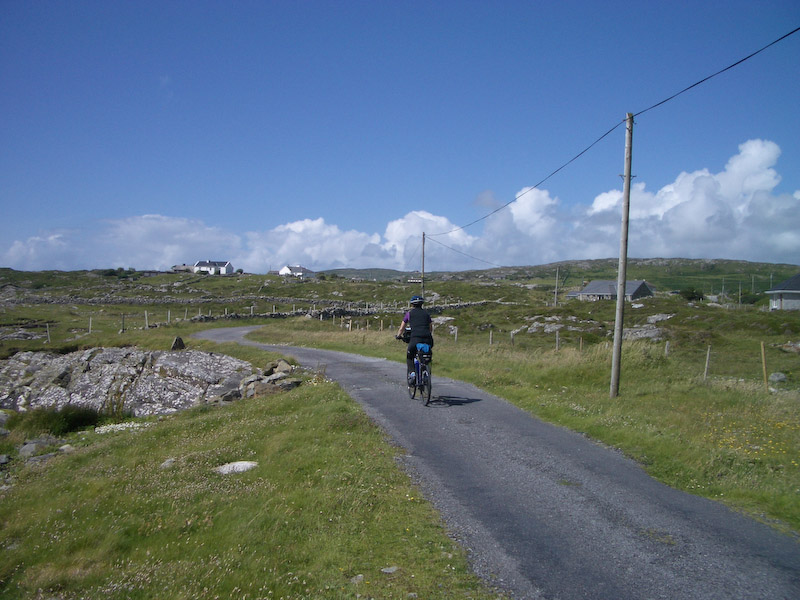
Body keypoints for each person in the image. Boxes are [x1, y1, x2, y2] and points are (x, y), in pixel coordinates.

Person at [395, 295, 434, 383]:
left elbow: (402, 328)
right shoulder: (426, 314)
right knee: (426, 354)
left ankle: (412, 373)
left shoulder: (409, 314)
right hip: (428, 339)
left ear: (412, 305)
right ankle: (425, 369)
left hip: (415, 339)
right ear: (421, 304)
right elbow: (430, 327)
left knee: (410, 356)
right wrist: (428, 334)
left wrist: (398, 335)